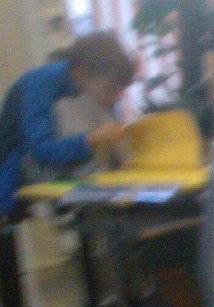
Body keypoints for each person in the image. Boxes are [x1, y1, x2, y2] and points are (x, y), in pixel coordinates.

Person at [0, 32, 134, 219]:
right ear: (80, 73)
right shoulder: (39, 85)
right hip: (16, 170)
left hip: (58, 167)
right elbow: (41, 149)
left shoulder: (88, 85)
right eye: (110, 90)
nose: (116, 98)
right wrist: (91, 138)